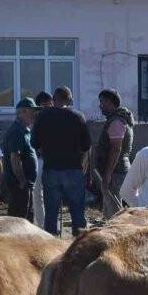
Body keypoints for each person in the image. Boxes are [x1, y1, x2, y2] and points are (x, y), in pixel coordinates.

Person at [31, 86, 91, 236]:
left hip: (51, 169)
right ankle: (79, 249)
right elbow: (86, 145)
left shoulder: (43, 116)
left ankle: (51, 247)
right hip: (73, 170)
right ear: (69, 100)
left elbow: (34, 143)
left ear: (53, 99)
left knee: (51, 213)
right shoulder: (78, 117)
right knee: (77, 213)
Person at [91, 88, 135, 218]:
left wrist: (107, 174)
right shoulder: (119, 119)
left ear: (110, 102)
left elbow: (116, 149)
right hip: (118, 170)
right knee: (113, 208)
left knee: (114, 212)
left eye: (102, 102)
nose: (100, 105)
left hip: (116, 172)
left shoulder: (116, 122)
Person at [2, 97, 39, 219]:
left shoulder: (25, 130)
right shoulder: (16, 131)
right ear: (21, 112)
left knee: (27, 218)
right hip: (19, 185)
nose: (35, 114)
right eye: (31, 110)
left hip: (26, 185)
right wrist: (22, 180)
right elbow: (15, 157)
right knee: (18, 220)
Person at [31, 91, 54, 229]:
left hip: (52, 160)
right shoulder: (34, 120)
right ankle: (40, 225)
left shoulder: (55, 118)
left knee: (51, 195)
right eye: (44, 106)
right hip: (39, 160)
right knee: (37, 193)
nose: (47, 108)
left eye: (49, 105)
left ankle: (50, 226)